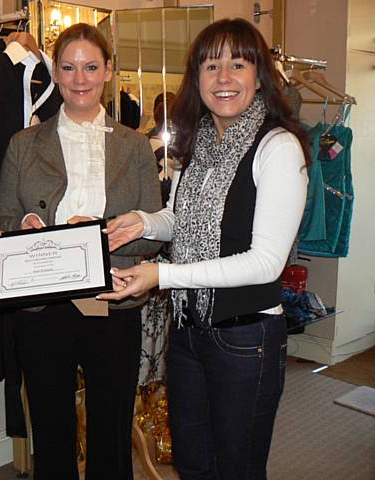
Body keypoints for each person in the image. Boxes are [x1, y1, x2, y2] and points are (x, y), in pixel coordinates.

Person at [98, 18, 310, 480]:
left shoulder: (278, 148)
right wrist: (142, 222)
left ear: (260, 76)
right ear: (196, 78)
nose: (224, 78)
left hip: (246, 340)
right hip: (189, 332)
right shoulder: (201, 146)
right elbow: (179, 219)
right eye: (212, 66)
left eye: (238, 64)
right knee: (193, 464)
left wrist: (163, 276)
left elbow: (266, 263)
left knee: (237, 468)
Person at [0, 23, 162, 480]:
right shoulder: (23, 144)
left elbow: (155, 233)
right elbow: (5, 219)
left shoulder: (136, 147)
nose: (80, 78)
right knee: (50, 430)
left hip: (114, 296)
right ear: (55, 71)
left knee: (111, 427)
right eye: (68, 67)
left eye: (91, 67)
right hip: (42, 303)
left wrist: (106, 234)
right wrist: (26, 227)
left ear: (108, 71)